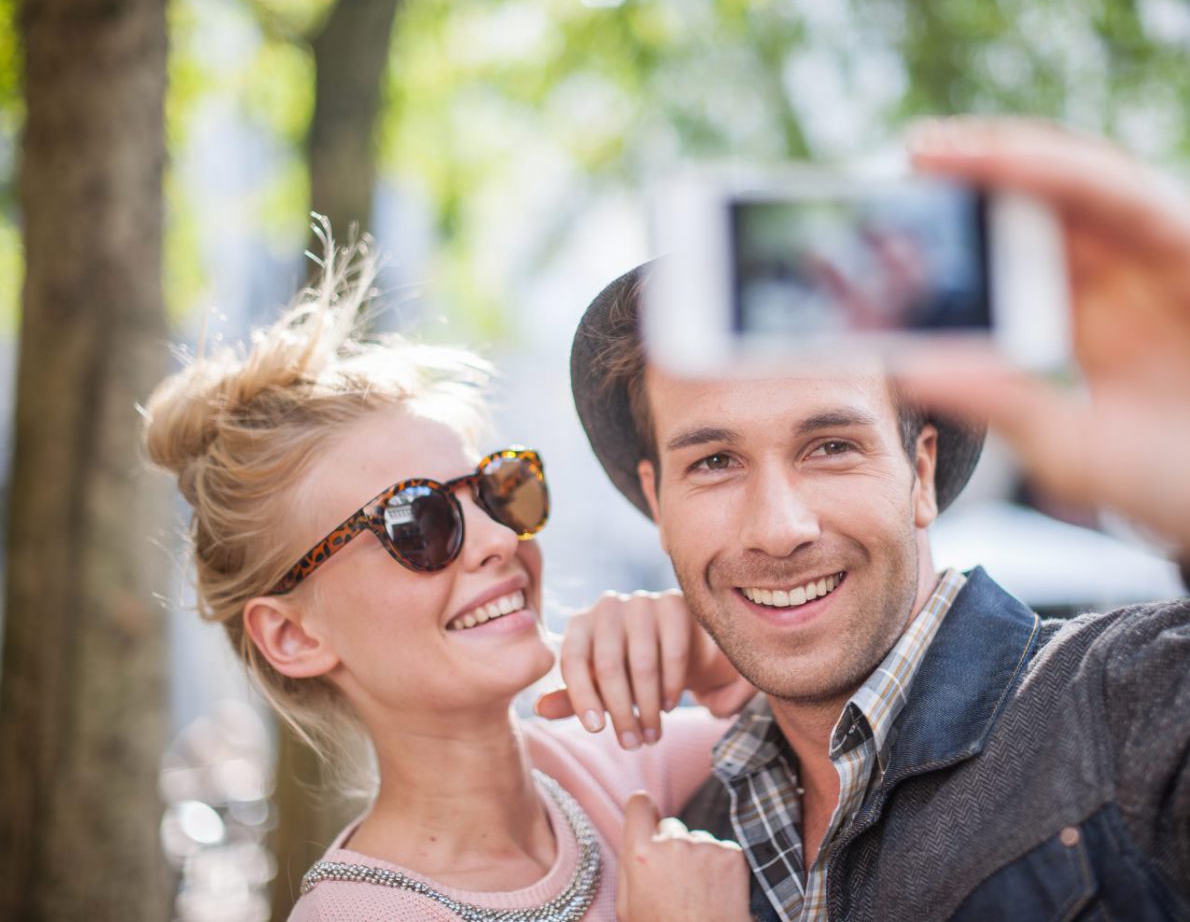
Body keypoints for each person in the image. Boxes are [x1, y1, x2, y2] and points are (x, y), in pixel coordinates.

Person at [545, 117, 1190, 920]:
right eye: (716, 462)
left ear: (919, 472)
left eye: (831, 446)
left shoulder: (1132, 699)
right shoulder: (690, 829)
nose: (778, 527)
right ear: (659, 503)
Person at [142, 233, 751, 921]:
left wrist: (718, 662)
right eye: (418, 522)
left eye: (496, 490)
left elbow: (846, 734)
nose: (499, 538)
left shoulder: (615, 766)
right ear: (291, 634)